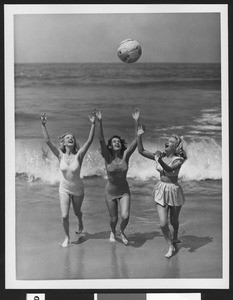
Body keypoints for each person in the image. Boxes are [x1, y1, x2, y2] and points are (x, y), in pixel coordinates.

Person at [134, 108, 187, 258]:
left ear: (176, 147)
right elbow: (141, 151)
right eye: (168, 140)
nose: (167, 142)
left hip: (174, 190)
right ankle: (170, 246)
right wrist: (139, 134)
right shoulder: (160, 155)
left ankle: (175, 235)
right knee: (163, 223)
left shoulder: (179, 159)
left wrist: (159, 159)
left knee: (173, 221)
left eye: (171, 141)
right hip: (161, 189)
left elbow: (170, 170)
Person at [40, 111, 96, 247]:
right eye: (68, 138)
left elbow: (89, 141)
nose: (71, 139)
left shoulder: (79, 155)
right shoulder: (60, 155)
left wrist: (93, 124)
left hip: (77, 189)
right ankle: (66, 237)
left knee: (77, 212)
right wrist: (43, 124)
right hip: (64, 188)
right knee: (64, 215)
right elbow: (47, 141)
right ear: (63, 142)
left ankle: (80, 222)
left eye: (72, 137)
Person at [94, 108, 138, 245]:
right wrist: (99, 122)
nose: (116, 143)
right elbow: (101, 139)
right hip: (110, 193)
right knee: (113, 219)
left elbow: (136, 140)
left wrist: (136, 121)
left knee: (125, 216)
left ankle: (122, 231)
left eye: (118, 141)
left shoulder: (126, 155)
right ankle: (112, 231)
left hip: (124, 191)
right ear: (110, 147)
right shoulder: (108, 157)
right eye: (113, 142)